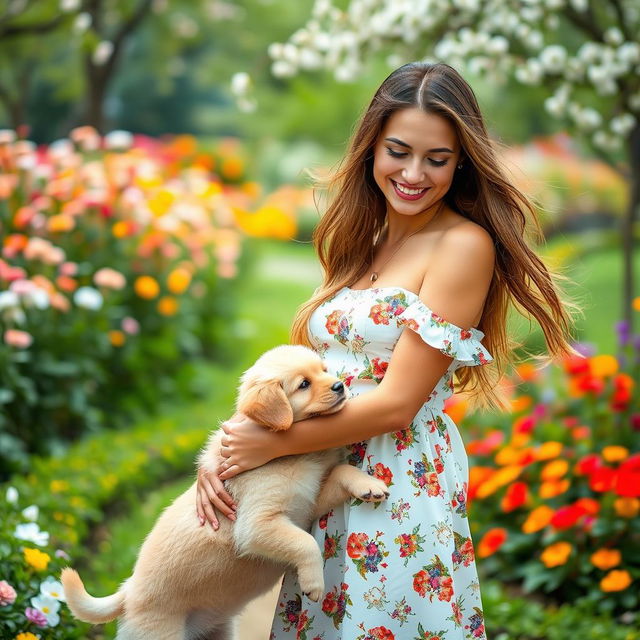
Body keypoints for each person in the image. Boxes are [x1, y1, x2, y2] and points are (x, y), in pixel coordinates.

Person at [196, 62, 575, 639]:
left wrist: (260, 446)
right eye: (398, 151)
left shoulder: (462, 244)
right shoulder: (366, 237)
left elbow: (398, 404)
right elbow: (313, 378)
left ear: (462, 161)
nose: (414, 173)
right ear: (372, 145)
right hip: (329, 469)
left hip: (397, 479)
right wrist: (231, 453)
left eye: (438, 159)